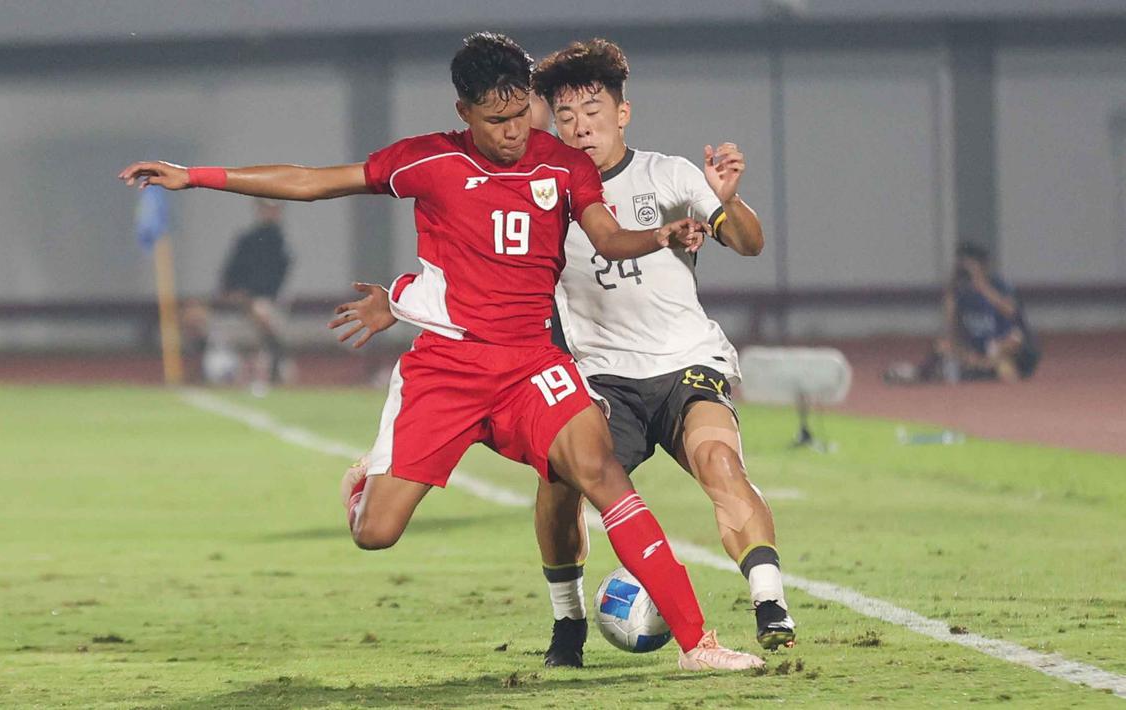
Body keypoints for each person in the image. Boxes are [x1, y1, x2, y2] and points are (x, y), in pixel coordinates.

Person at [119, 32, 763, 671]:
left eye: (520, 115)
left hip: (531, 365)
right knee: (377, 533)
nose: (514, 132)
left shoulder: (563, 165)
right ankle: (364, 485)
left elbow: (607, 237)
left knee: (603, 477)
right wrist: (196, 179)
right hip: (447, 369)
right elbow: (314, 181)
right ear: (465, 113)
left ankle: (698, 645)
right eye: (496, 120)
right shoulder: (427, 162)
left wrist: (659, 235)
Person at [330, 38, 794, 669]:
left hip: (682, 361)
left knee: (718, 460)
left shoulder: (671, 175)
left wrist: (726, 200)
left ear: (622, 113)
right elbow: (479, 269)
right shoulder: (544, 179)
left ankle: (768, 607)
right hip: (599, 373)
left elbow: (748, 244)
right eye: (567, 116)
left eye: (594, 113)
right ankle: (568, 625)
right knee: (558, 485)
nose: (581, 128)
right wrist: (404, 300)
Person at [884, 242, 1040, 385]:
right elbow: (951, 331)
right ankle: (980, 369)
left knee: (1011, 342)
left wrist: (982, 285)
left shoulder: (998, 285)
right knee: (943, 346)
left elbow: (1011, 311)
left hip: (1003, 346)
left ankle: (986, 368)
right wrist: (951, 298)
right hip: (977, 350)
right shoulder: (958, 291)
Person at [184, 199, 294, 390]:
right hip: (235, 302)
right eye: (266, 209)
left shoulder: (281, 246)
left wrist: (249, 297)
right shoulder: (246, 240)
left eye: (274, 210)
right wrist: (231, 293)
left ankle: (275, 361)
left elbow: (274, 283)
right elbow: (229, 273)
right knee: (193, 314)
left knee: (261, 311)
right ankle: (199, 365)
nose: (270, 213)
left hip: (263, 302)